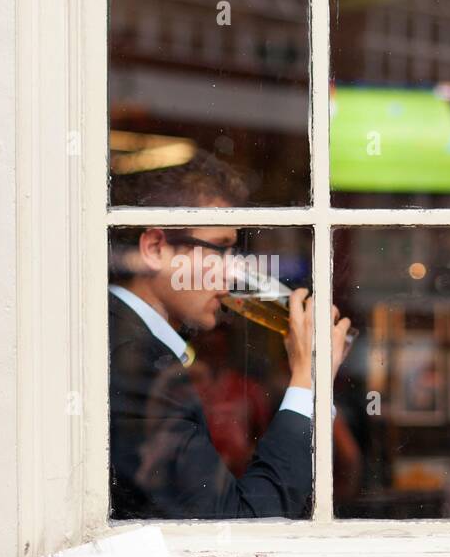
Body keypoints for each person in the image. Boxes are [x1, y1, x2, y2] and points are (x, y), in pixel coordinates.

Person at [108, 149, 353, 519]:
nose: (233, 273)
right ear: (156, 248)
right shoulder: (134, 364)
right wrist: (310, 380)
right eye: (220, 249)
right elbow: (241, 524)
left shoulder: (125, 339)